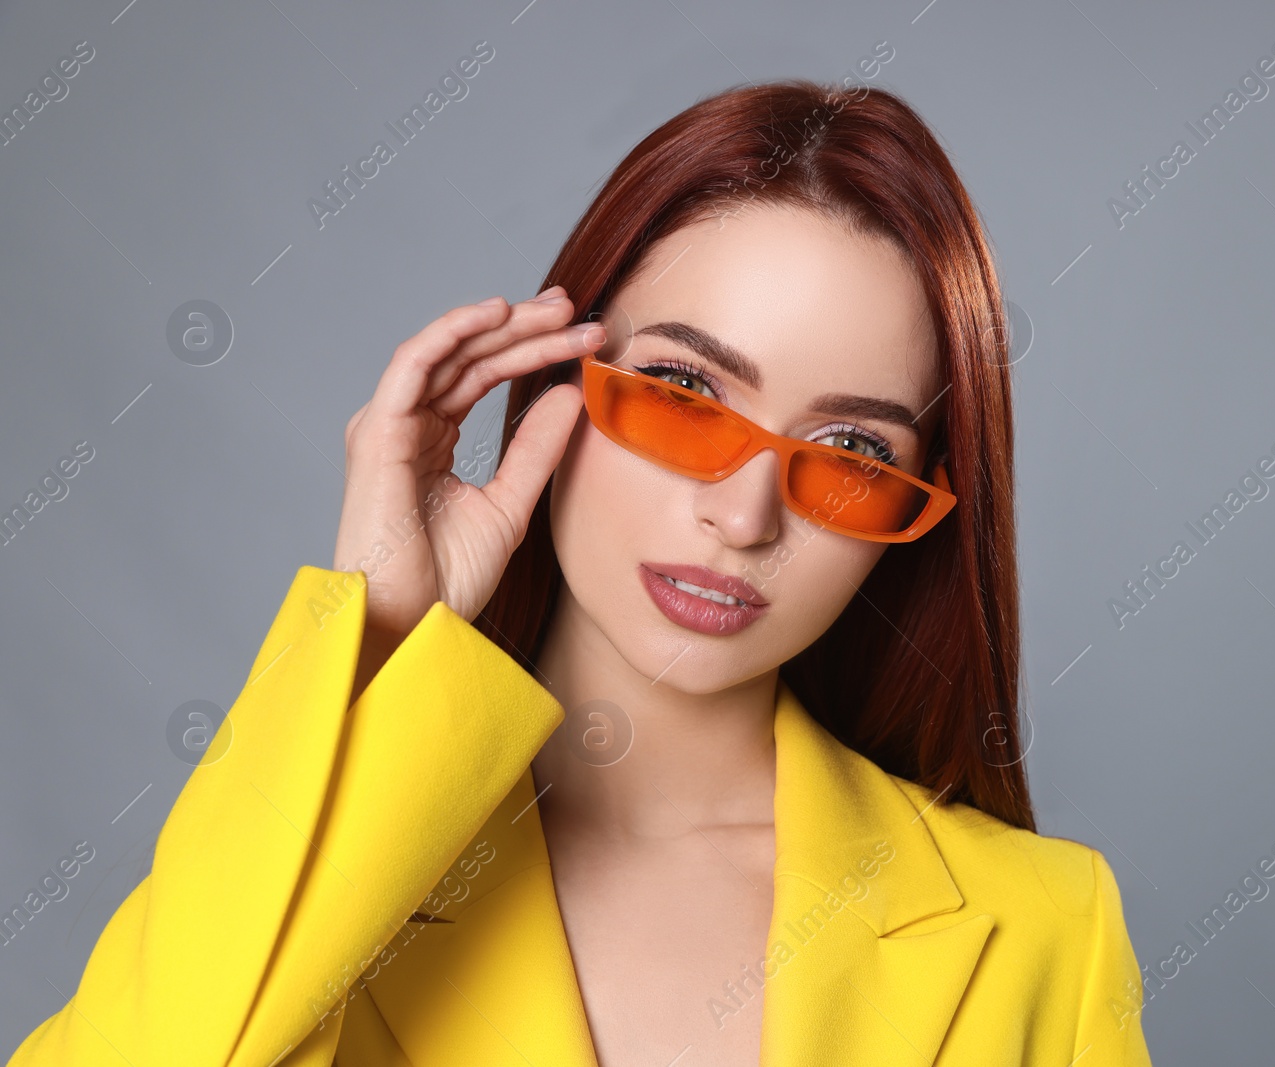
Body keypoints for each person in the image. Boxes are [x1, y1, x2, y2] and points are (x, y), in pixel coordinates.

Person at [7, 79, 1153, 1066]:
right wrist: (379, 639)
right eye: (687, 394)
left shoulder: (1045, 925)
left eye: (851, 453)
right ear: (558, 373)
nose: (744, 513)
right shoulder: (331, 854)